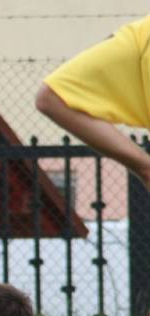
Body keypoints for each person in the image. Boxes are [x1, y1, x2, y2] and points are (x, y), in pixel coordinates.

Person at [36, 15, 150, 190]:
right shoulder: (141, 37)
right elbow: (51, 98)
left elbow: (51, 98)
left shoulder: (142, 36)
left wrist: (144, 167)